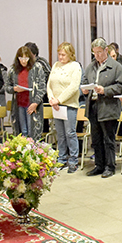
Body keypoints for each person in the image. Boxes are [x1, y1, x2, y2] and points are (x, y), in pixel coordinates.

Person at [82, 38, 122, 178]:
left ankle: (110, 166)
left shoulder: (116, 66)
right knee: (96, 139)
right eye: (94, 53)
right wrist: (84, 90)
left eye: (99, 52)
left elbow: (120, 86)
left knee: (108, 139)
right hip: (93, 106)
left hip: (108, 106)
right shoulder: (91, 67)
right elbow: (84, 82)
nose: (97, 55)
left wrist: (105, 90)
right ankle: (99, 165)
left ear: (106, 50)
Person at [47, 42, 82, 174]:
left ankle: (73, 160)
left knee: (70, 133)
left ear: (70, 54)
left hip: (69, 105)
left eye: (63, 55)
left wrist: (59, 99)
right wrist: (52, 99)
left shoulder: (75, 66)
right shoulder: (55, 65)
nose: (60, 57)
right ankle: (61, 158)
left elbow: (73, 87)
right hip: (56, 106)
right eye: (59, 54)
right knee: (60, 134)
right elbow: (49, 84)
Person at [5, 46, 46, 139]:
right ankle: (23, 151)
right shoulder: (13, 69)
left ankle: (33, 151)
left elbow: (42, 87)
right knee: (23, 131)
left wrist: (36, 102)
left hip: (32, 104)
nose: (23, 61)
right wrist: (14, 89)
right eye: (21, 58)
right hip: (19, 104)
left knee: (32, 132)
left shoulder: (37, 68)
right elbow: (7, 86)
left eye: (26, 58)